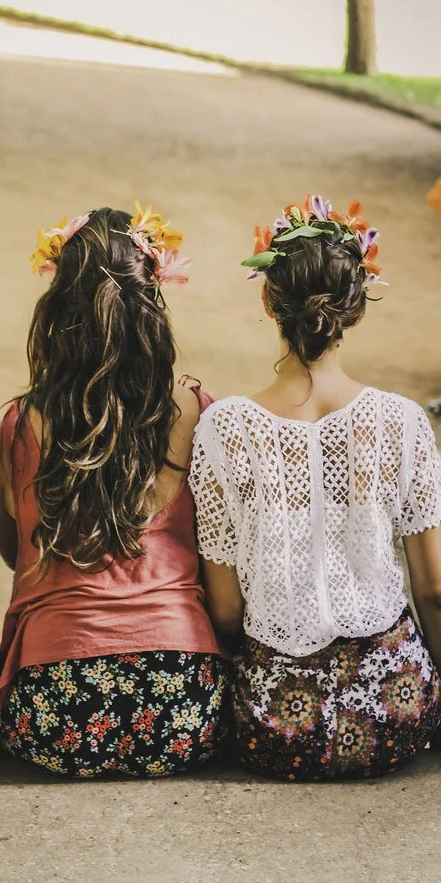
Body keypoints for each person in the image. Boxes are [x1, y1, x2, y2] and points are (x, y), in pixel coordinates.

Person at [189, 195, 441, 780]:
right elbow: (433, 587)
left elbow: (225, 609)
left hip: (277, 726)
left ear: (267, 298)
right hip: (393, 712)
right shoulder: (402, 422)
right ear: (354, 305)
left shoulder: (224, 427)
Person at [0, 204, 229, 778]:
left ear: (57, 309)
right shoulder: (198, 412)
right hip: (182, 707)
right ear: (151, 306)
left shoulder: (18, 426)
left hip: (50, 712)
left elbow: (16, 546)